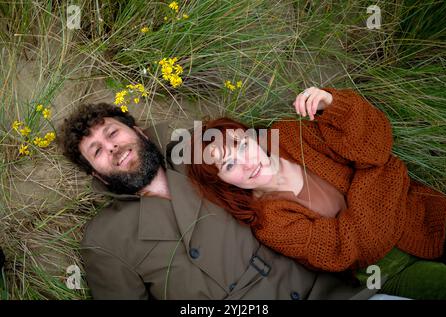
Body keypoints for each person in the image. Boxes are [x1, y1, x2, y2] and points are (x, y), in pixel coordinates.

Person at [59, 102, 383, 300]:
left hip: (325, 292)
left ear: (140, 132)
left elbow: (277, 155)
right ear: (97, 176)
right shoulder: (106, 238)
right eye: (97, 151)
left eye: (112, 133)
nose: (112, 148)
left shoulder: (200, 153)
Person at [186, 86, 446, 300]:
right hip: (388, 269)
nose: (246, 163)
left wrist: (333, 104)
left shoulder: (289, 134)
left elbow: (374, 144)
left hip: (423, 211)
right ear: (222, 181)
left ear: (254, 138)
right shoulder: (269, 222)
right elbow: (350, 250)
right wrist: (379, 172)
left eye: (242, 146)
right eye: (228, 165)